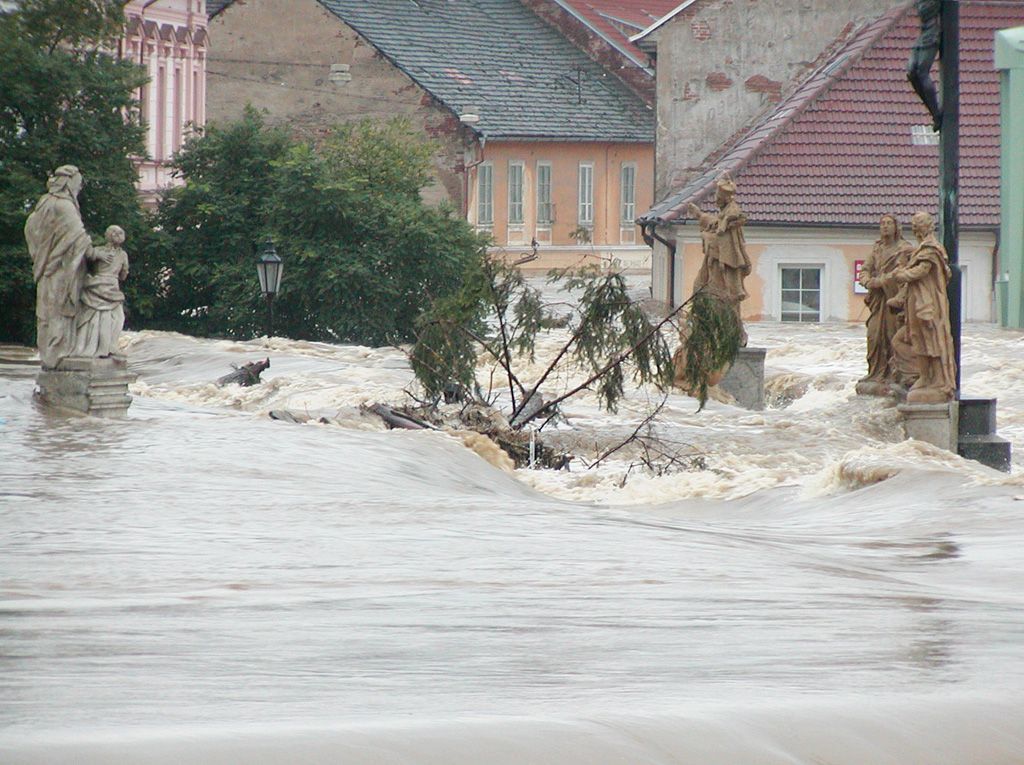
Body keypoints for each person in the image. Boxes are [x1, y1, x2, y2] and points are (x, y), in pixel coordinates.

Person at [24, 166, 98, 368]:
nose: (80, 187)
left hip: (46, 267)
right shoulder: (64, 206)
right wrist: (98, 256)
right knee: (60, 311)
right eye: (78, 183)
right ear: (69, 183)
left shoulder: (44, 203)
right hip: (62, 270)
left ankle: (49, 355)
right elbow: (78, 237)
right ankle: (60, 354)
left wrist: (40, 254)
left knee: (47, 312)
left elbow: (30, 227)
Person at [893, 211, 956, 403]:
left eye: (920, 223)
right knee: (916, 338)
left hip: (928, 302)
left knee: (932, 339)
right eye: (914, 223)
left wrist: (902, 274)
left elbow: (922, 271)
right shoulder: (920, 248)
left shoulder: (931, 248)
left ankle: (937, 380)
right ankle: (924, 376)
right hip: (915, 301)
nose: (916, 227)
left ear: (929, 226)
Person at [856, 215, 913, 394]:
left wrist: (883, 281)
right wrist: (867, 281)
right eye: (882, 223)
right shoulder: (877, 249)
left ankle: (894, 373)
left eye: (889, 223)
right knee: (873, 336)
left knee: (892, 336)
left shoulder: (905, 249)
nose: (885, 227)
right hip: (878, 301)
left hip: (894, 301)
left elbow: (904, 273)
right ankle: (874, 372)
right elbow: (865, 270)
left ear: (897, 227)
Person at [73, 225, 129, 358]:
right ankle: (107, 347)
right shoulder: (120, 254)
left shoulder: (99, 251)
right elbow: (123, 275)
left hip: (99, 286)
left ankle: (106, 347)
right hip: (108, 286)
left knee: (105, 318)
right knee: (112, 318)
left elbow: (84, 261)